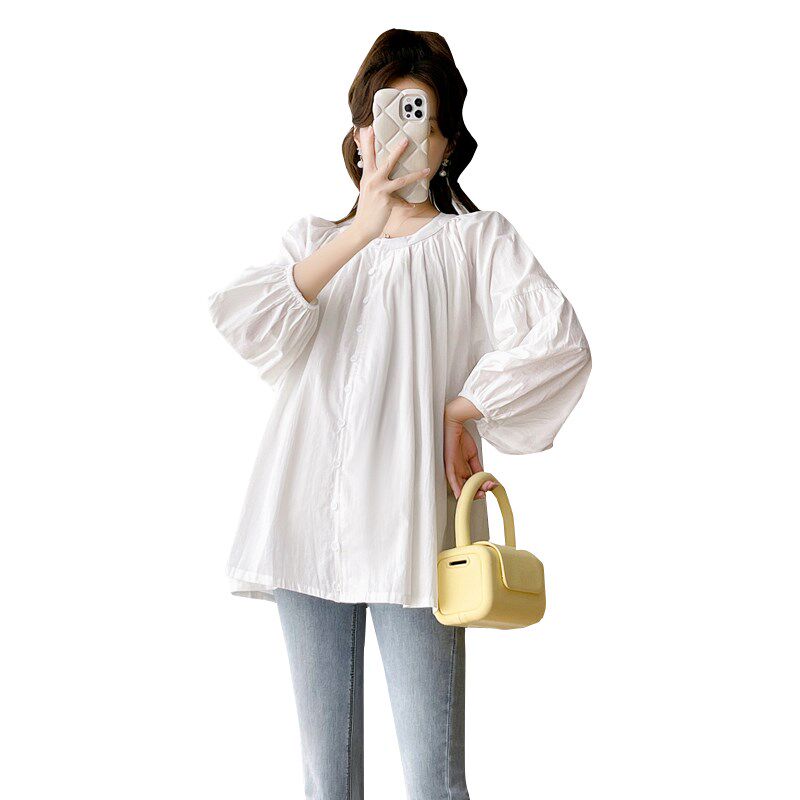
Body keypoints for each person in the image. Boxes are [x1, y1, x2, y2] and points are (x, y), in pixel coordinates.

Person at [207, 28, 592, 800]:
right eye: (384, 118)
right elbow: (246, 322)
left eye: (424, 121)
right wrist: (362, 227)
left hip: (413, 528)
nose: (402, 138)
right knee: (326, 784)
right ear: (358, 136)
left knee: (434, 782)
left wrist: (461, 409)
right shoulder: (316, 243)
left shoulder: (476, 240)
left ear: (445, 145)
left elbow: (559, 342)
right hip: (304, 522)